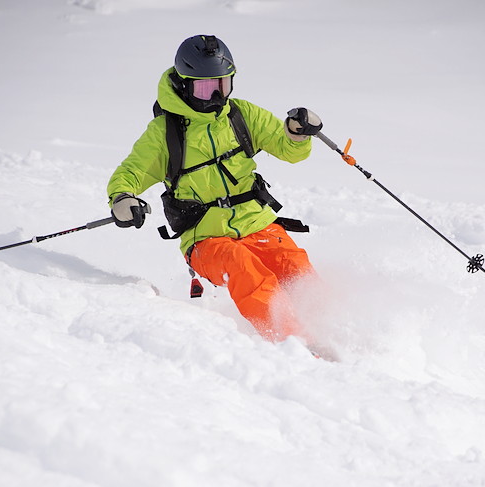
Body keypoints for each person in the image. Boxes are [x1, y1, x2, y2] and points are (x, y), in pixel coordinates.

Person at [106, 34, 323, 344]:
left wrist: (297, 135)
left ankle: (332, 329)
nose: (217, 97)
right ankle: (292, 342)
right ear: (184, 85)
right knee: (244, 267)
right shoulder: (165, 133)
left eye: (223, 85)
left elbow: (288, 149)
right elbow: (129, 173)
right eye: (206, 88)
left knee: (296, 269)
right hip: (205, 237)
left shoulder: (241, 115)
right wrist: (122, 198)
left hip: (256, 223)